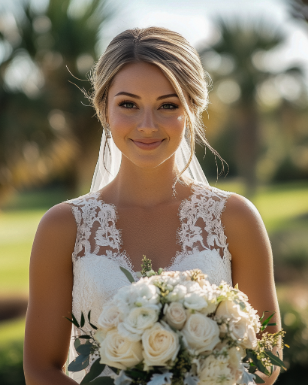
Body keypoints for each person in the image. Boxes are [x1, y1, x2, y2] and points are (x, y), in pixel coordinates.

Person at [23, 27, 281, 384]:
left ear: (192, 108)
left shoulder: (235, 219)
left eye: (168, 105)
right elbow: (40, 369)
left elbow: (267, 358)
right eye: (128, 104)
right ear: (104, 109)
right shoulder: (64, 227)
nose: (147, 125)